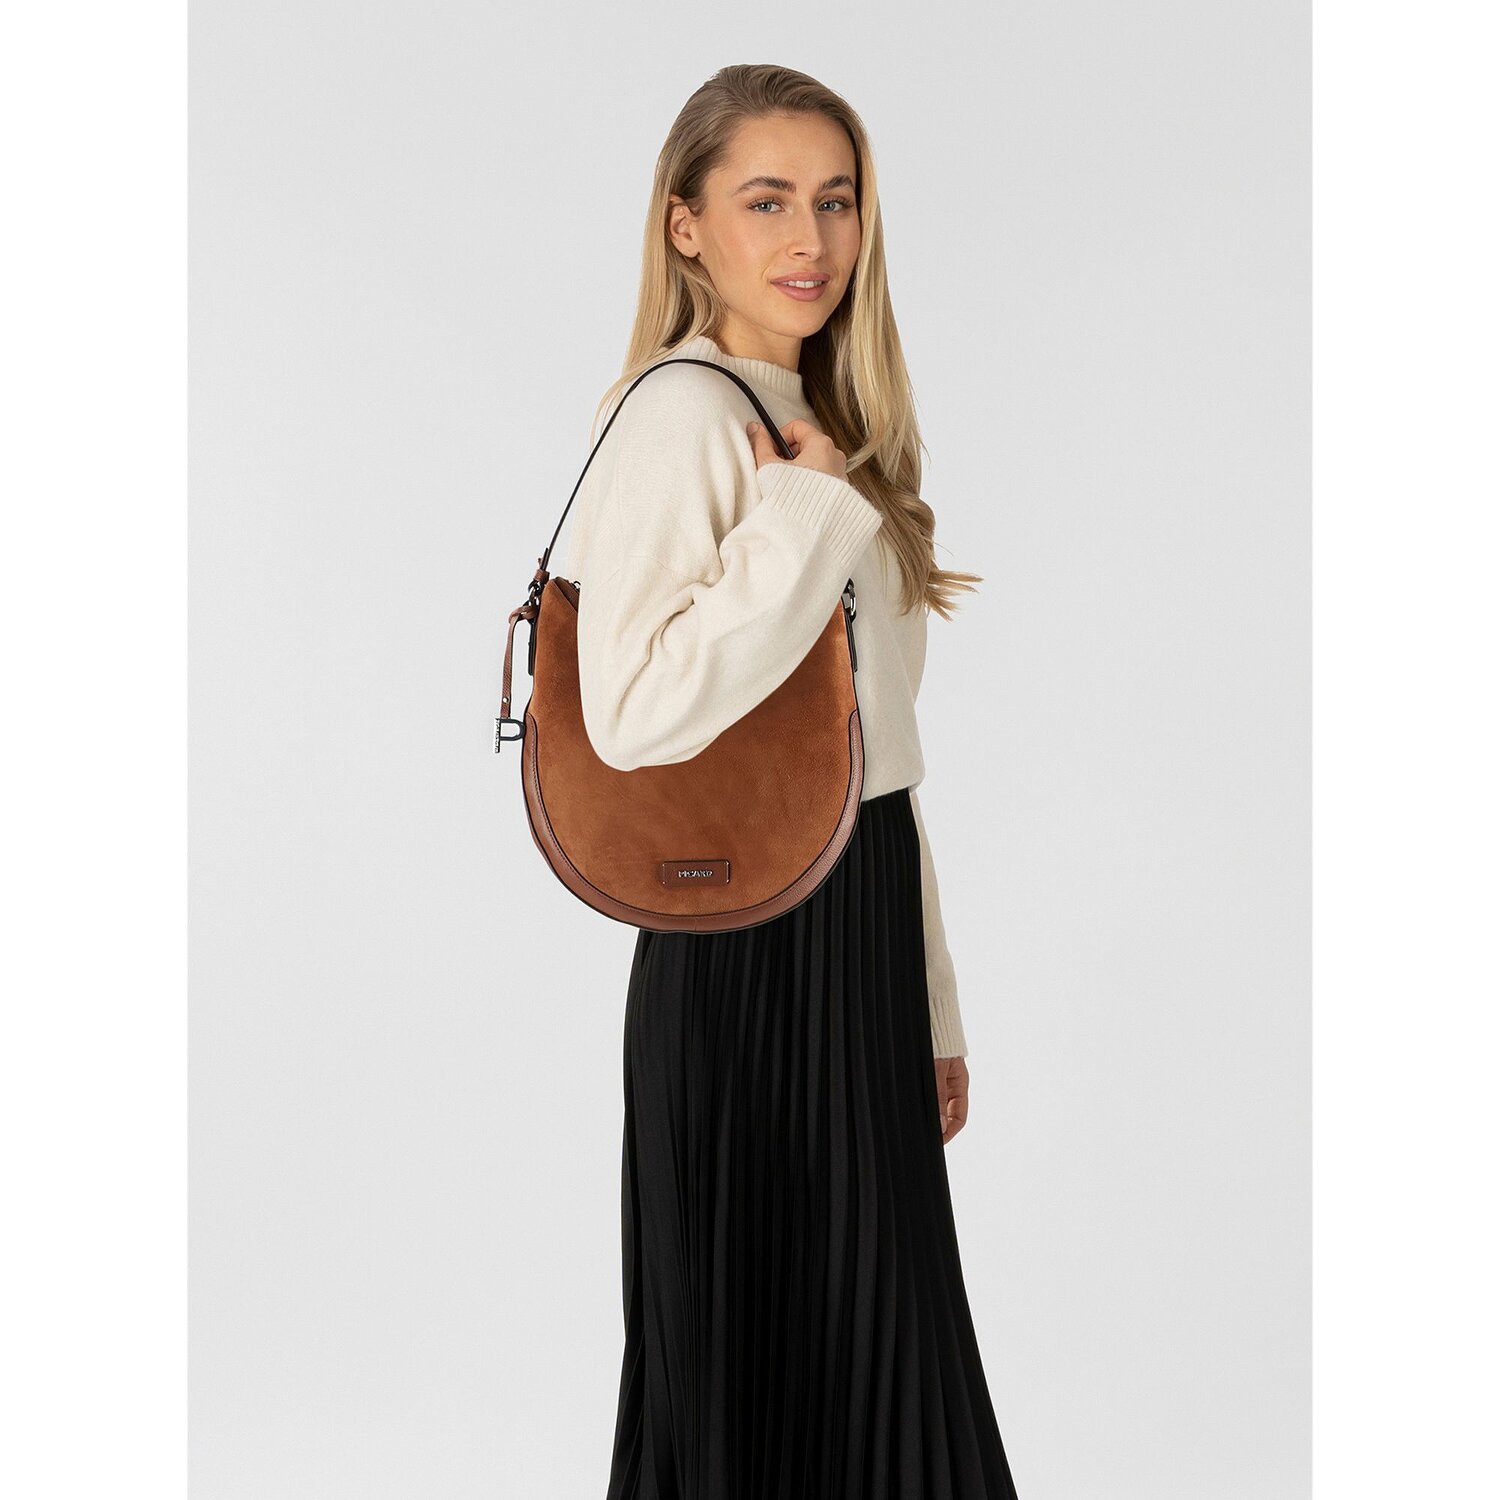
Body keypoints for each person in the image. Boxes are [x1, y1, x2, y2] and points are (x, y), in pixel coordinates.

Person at [557, 63, 1022, 1500]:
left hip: (855, 930)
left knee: (877, 1361)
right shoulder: (684, 416)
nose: (810, 238)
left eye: (836, 199)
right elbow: (632, 711)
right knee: (763, 1378)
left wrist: (931, 1006)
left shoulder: (823, 418)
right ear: (686, 225)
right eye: (766, 201)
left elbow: (877, 760)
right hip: (746, 952)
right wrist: (806, 508)